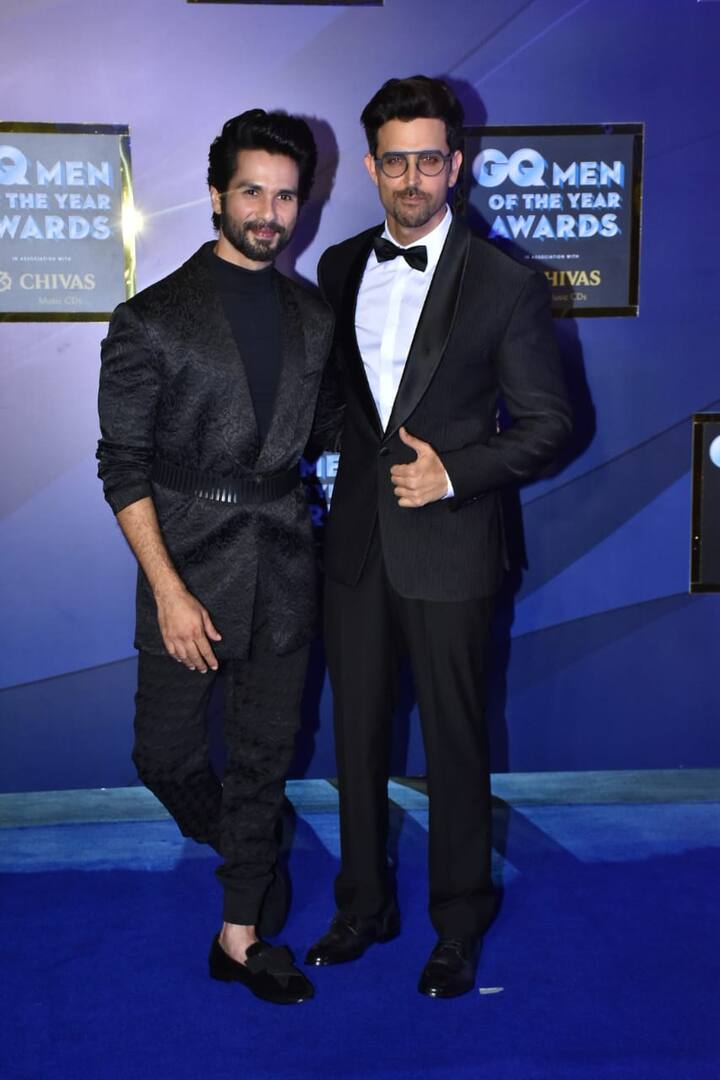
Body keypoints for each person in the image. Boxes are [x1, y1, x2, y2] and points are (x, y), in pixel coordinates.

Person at [305, 76, 572, 997]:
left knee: (455, 742)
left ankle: (458, 923)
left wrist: (455, 471)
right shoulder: (339, 268)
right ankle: (363, 904)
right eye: (395, 160)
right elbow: (345, 402)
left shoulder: (505, 285)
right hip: (355, 549)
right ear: (372, 167)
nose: (412, 177)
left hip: (453, 541)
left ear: (455, 165)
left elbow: (549, 422)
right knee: (356, 738)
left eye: (430, 159)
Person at [97, 109, 334, 1005]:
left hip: (283, 561)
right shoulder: (151, 318)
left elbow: (346, 427)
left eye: (285, 195)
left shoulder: (314, 317)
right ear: (215, 196)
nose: (270, 212)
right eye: (252, 191)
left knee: (265, 754)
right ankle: (246, 846)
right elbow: (121, 464)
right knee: (162, 755)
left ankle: (240, 933)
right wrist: (167, 589)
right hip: (186, 567)